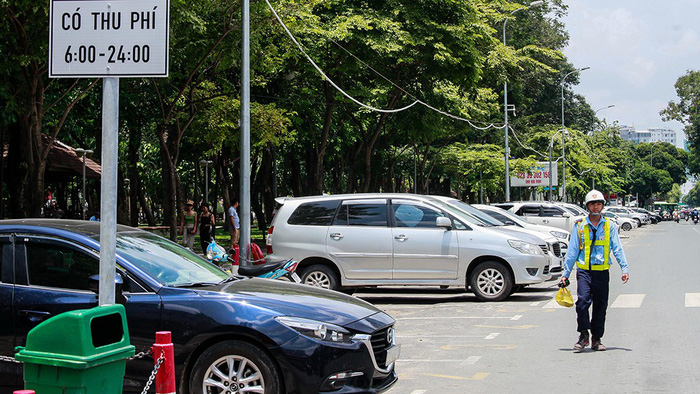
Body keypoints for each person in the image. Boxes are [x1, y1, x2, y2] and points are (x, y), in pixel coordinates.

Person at [560, 190, 629, 352]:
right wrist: (565, 274)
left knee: (600, 306)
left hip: (602, 273)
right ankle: (583, 335)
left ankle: (596, 339)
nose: (596, 207)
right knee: (582, 303)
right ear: (587, 206)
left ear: (602, 206)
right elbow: (572, 252)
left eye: (599, 203)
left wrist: (624, 268)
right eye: (592, 204)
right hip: (584, 271)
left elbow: (617, 248)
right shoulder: (580, 226)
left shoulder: (609, 226)